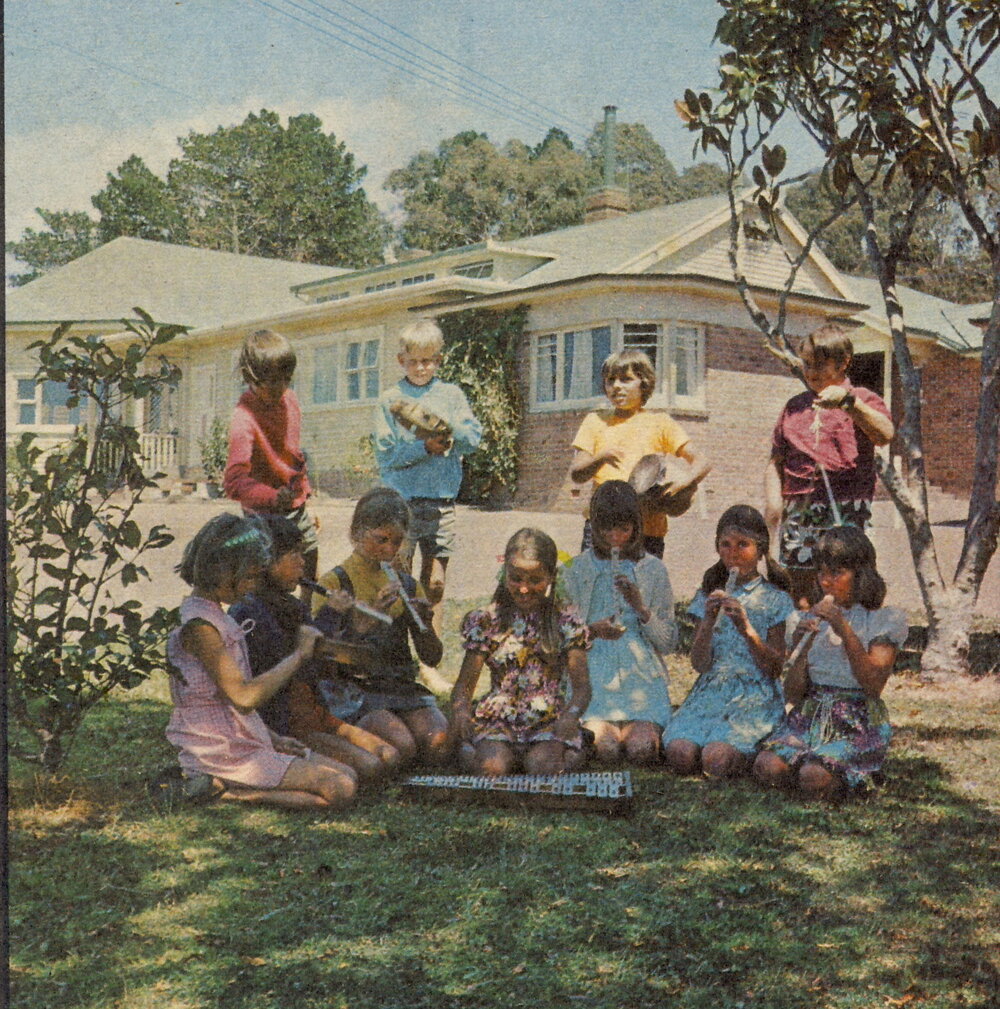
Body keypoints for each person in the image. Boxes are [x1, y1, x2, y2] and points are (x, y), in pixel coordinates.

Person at [164, 514, 357, 810]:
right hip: (218, 750)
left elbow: (227, 702)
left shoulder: (217, 616)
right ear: (223, 570)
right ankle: (223, 790)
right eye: (250, 576)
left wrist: (273, 738)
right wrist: (299, 654)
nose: (253, 585)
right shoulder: (200, 626)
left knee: (348, 776)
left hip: (240, 737)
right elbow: (243, 697)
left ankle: (223, 789)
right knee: (340, 787)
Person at [229, 515, 401, 785]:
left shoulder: (293, 605)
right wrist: (329, 616)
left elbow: (322, 661)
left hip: (313, 711)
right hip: (284, 723)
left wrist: (355, 624)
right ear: (266, 561)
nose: (302, 562)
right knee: (371, 767)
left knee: (390, 756)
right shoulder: (249, 611)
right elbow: (289, 664)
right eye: (294, 554)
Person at [753, 526, 907, 799]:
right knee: (766, 766)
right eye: (822, 572)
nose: (826, 581)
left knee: (813, 777)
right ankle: (810, 770)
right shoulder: (810, 619)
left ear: (861, 574)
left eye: (837, 573)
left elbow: (873, 685)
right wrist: (803, 648)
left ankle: (846, 775)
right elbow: (793, 693)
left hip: (855, 721)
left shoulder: (881, 619)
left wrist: (843, 629)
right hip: (810, 716)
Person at [311, 487, 450, 766]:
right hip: (355, 689)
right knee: (404, 746)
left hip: (399, 684)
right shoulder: (334, 583)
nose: (389, 550)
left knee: (438, 742)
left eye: (397, 541)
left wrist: (423, 622)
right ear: (357, 533)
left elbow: (432, 657)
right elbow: (321, 657)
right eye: (381, 540)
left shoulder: (406, 584)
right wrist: (372, 615)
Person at [764, 323, 894, 607]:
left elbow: (885, 434)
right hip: (799, 512)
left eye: (820, 365)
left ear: (843, 362)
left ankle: (847, 635)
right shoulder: (794, 407)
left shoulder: (863, 398)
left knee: (848, 592)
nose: (811, 372)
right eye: (807, 364)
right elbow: (775, 461)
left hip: (845, 511)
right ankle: (804, 636)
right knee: (800, 595)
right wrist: (773, 508)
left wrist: (849, 403)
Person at [373, 319, 483, 651]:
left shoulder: (451, 395)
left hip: (441, 502)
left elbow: (472, 439)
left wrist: (447, 430)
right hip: (401, 504)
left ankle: (429, 651)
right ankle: (397, 650)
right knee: (399, 580)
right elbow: (385, 456)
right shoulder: (390, 399)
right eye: (413, 361)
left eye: (428, 360)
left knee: (434, 584)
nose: (421, 368)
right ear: (401, 360)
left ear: (439, 359)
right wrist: (424, 447)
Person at [663, 505, 794, 779]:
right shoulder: (708, 595)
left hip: (754, 695)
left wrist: (747, 629)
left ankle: (747, 752)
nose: (733, 553)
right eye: (726, 544)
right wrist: (708, 622)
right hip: (712, 691)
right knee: (680, 754)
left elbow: (774, 668)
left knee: (716, 759)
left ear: (760, 549)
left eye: (743, 544)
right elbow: (699, 664)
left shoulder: (775, 599)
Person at [449, 528, 592, 776]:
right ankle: (474, 751)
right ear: (505, 573)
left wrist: (571, 716)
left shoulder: (565, 621)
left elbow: (582, 688)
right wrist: (461, 710)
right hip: (499, 718)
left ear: (551, 577)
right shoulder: (487, 620)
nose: (524, 588)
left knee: (543, 769)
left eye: (535, 580)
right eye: (516, 579)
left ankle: (572, 749)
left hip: (548, 718)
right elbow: (464, 684)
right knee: (491, 769)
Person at [561, 481, 676, 765]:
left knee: (641, 749)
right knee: (606, 749)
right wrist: (591, 631)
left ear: (636, 527)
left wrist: (641, 608)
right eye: (606, 530)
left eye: (623, 529)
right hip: (593, 673)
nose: (615, 538)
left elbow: (668, 642)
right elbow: (561, 636)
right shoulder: (575, 569)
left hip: (641, 676)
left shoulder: (653, 569)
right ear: (594, 527)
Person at [569, 349, 709, 559]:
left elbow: (703, 461)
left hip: (647, 530)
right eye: (610, 380)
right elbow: (577, 474)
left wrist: (684, 482)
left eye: (626, 379)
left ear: (644, 383)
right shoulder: (595, 421)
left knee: (643, 580)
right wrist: (601, 458)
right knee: (595, 579)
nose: (616, 386)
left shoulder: (660, 423)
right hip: (602, 529)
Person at [224, 328, 320, 592]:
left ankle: (307, 613)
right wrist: (271, 497)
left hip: (294, 505)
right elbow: (234, 482)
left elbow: (292, 454)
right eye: (272, 382)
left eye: (287, 379)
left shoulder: (290, 400)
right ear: (249, 377)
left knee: (309, 563)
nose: (281, 387)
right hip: (263, 515)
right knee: (270, 582)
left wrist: (304, 496)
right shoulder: (244, 417)